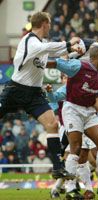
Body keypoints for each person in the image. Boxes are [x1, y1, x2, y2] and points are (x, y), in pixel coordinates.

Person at [0, 11, 82, 179]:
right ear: (44, 23)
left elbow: (53, 52)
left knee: (52, 124)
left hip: (35, 93)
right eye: (49, 24)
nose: (50, 27)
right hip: (16, 90)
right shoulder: (29, 40)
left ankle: (57, 168)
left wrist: (72, 50)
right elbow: (46, 48)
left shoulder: (43, 42)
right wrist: (68, 43)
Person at [47, 46, 98, 199]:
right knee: (76, 148)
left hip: (89, 111)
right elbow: (57, 63)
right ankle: (71, 188)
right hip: (72, 109)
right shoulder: (79, 66)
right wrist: (36, 63)